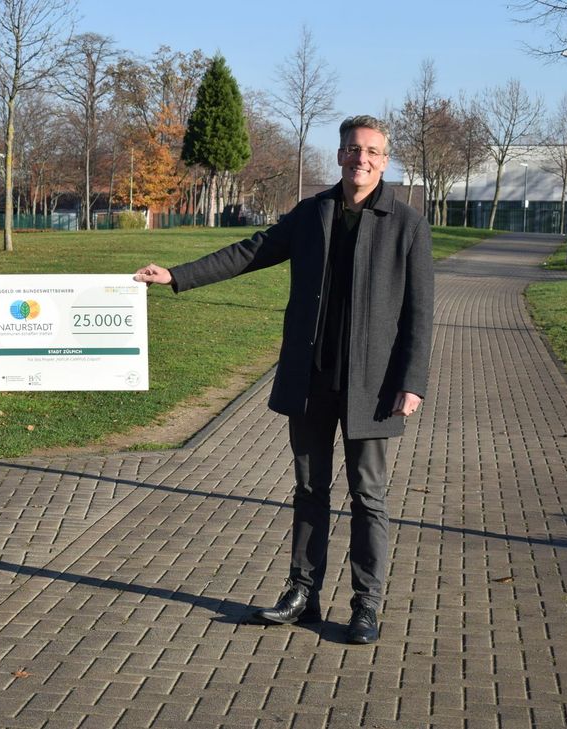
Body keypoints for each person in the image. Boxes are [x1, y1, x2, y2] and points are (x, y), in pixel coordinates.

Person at [134, 115, 433, 644]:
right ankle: (303, 594)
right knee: (310, 488)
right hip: (311, 378)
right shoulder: (313, 212)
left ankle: (365, 604)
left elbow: (419, 311)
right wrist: (178, 275)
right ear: (339, 155)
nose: (360, 159)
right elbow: (251, 251)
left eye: (371, 151)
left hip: (372, 385)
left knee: (368, 496)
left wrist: (412, 381)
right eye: (352, 149)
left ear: (385, 161)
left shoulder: (406, 223)